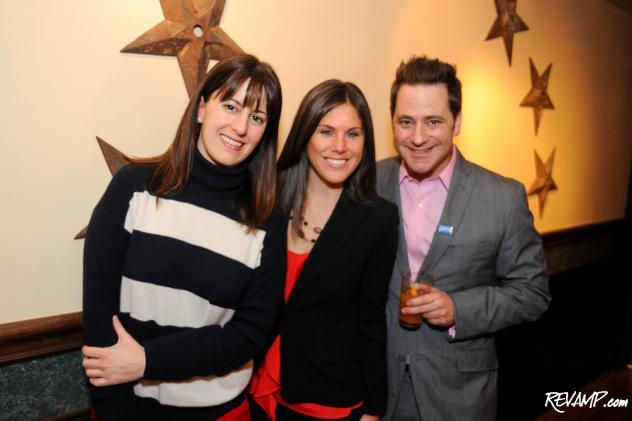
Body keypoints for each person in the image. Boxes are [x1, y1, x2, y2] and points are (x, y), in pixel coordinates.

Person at [81, 54, 286, 421]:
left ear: (265, 133)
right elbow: (99, 318)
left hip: (219, 413)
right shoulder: (133, 189)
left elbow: (248, 335)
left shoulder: (267, 220)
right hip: (125, 408)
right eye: (231, 106)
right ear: (202, 108)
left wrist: (149, 360)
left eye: (256, 118)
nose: (240, 127)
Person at [376, 56, 551, 421]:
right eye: (405, 122)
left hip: (459, 397)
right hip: (378, 387)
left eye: (433, 121)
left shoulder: (503, 197)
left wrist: (460, 309)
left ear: (457, 122)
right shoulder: (369, 183)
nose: (418, 137)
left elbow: (533, 294)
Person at [248, 80, 399, 420]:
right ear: (306, 136)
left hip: (328, 395)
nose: (340, 147)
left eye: (354, 134)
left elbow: (371, 318)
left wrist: (374, 408)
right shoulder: (268, 194)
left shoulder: (378, 219)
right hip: (253, 383)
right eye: (326, 131)